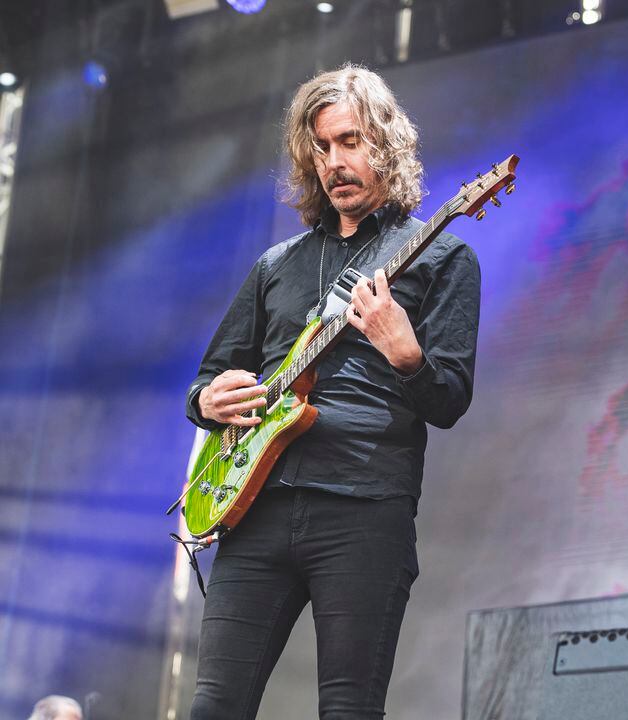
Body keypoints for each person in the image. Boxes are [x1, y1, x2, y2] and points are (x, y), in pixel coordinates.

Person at [184, 64, 480, 718]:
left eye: (349, 141)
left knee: (347, 709)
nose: (334, 161)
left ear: (386, 144)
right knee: (212, 707)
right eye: (320, 148)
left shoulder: (440, 256)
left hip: (364, 506)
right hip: (254, 506)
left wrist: (406, 355)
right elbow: (207, 382)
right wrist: (208, 400)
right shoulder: (276, 266)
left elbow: (450, 399)